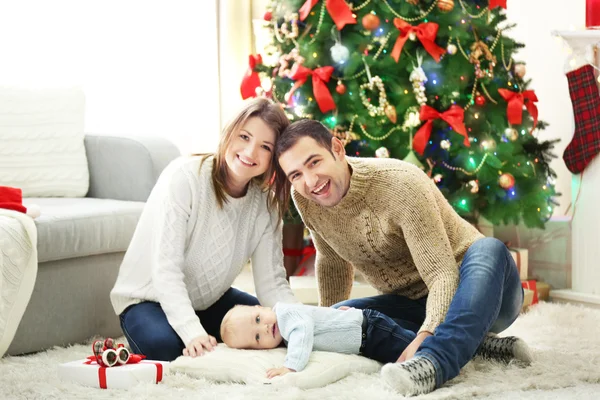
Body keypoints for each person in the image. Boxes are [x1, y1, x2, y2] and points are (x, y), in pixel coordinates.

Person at [271, 119, 532, 396]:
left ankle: (434, 362)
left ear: (337, 148)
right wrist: (329, 324)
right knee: (340, 317)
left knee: (488, 248)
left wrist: (426, 333)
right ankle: (476, 346)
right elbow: (332, 261)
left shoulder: (400, 184)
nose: (310, 182)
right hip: (412, 305)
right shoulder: (305, 199)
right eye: (295, 175)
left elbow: (442, 274)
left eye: (314, 163)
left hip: (482, 290)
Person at [110, 98, 299, 362]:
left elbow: (272, 284)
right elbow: (166, 270)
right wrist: (191, 332)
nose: (250, 152)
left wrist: (307, 322)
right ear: (229, 132)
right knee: (166, 349)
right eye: (244, 136)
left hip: (210, 300)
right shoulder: (185, 178)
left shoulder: (265, 204)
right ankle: (192, 330)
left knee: (275, 325)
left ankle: (207, 329)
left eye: (265, 147)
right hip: (148, 299)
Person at [220, 302, 427, 378]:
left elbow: (303, 328)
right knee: (401, 353)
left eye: (258, 319)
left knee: (413, 349)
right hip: (365, 340)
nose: (264, 328)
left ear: (261, 307)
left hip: (370, 329)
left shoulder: (284, 313)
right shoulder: (283, 336)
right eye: (257, 337)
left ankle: (440, 348)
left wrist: (291, 366)